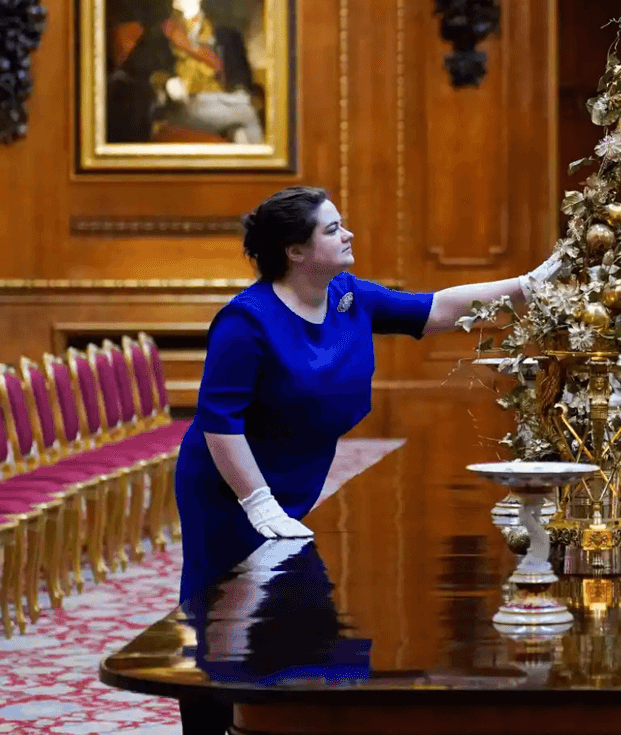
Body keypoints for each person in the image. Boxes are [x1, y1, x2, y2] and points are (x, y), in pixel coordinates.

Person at [174, 185, 563, 735]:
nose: (348, 233)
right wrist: (256, 502)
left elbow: (441, 308)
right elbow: (219, 422)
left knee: (289, 604)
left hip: (296, 479)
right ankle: (217, 728)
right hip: (229, 487)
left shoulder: (347, 296)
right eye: (332, 229)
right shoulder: (247, 321)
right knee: (228, 618)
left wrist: (528, 287)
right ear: (295, 250)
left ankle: (287, 718)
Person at [116, 0, 267, 144]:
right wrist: (165, 81)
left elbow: (241, 74)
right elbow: (133, 68)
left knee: (241, 131)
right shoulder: (161, 32)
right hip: (182, 106)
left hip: (224, 103)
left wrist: (240, 88)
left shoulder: (226, 34)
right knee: (247, 112)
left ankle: (250, 168)